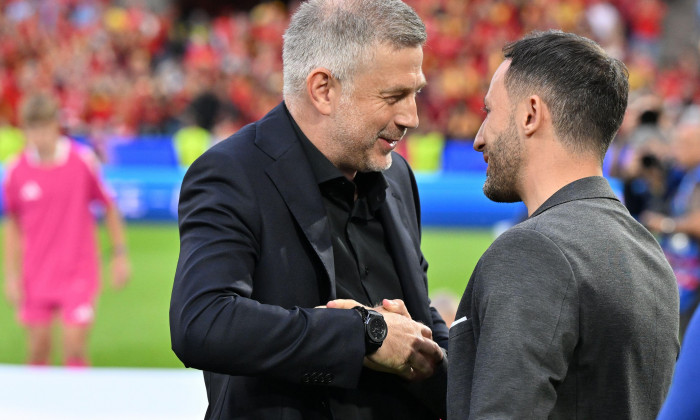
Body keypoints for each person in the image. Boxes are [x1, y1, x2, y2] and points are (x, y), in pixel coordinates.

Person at [169, 0, 448, 419]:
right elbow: (203, 322)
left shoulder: (397, 176)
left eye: (416, 93)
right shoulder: (233, 173)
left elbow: (418, 309)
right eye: (394, 96)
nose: (412, 116)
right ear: (323, 89)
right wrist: (364, 335)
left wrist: (440, 361)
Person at [447, 31, 679, 419]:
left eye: (489, 112)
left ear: (530, 114)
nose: (478, 138)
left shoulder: (532, 250)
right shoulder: (647, 252)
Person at [2, 92, 131, 367]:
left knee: (74, 347)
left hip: (77, 270)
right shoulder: (16, 170)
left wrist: (119, 254)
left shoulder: (81, 161)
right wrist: (11, 275)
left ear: (55, 126)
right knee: (38, 349)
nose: (38, 135)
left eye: (43, 127)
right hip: (35, 273)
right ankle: (37, 410)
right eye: (31, 128)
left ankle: (76, 409)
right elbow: (12, 224)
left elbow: (109, 206)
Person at [641, 118, 700, 337]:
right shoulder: (686, 173)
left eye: (683, 144)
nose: (676, 150)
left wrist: (667, 225)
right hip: (679, 276)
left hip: (693, 285)